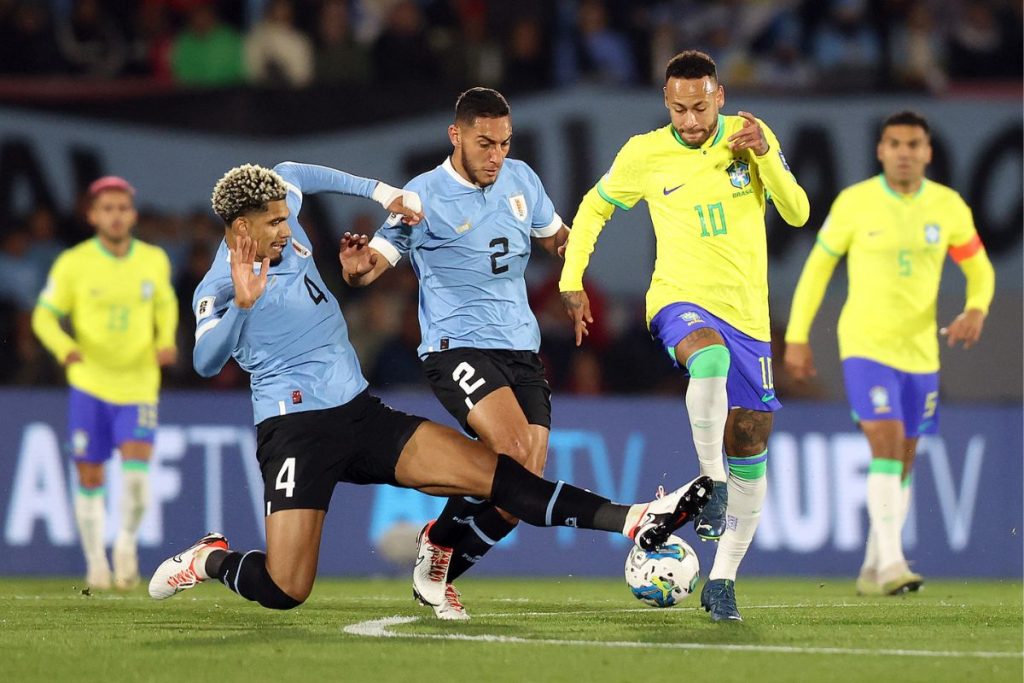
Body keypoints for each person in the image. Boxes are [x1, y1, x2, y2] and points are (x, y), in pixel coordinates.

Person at [148, 162, 711, 611]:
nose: (287, 228)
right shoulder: (218, 288)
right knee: (285, 588)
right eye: (274, 223)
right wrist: (244, 306)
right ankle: (209, 559)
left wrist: (382, 192)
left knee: (501, 478)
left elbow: (296, 171)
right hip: (295, 432)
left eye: (285, 217)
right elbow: (204, 361)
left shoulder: (282, 209)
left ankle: (633, 518)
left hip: (360, 415)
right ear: (241, 229)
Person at [559, 50, 809, 622]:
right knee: (708, 359)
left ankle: (722, 580)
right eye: (679, 109)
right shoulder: (644, 153)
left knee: (751, 441)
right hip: (679, 299)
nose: (690, 121)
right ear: (666, 102)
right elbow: (594, 209)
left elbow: (797, 212)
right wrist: (572, 280)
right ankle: (711, 482)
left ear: (719, 97)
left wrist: (765, 157)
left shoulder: (750, 135)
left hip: (748, 316)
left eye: (700, 107)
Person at [339, 87, 570, 621]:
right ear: (456, 135)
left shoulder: (522, 179)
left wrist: (576, 273)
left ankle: (438, 560)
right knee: (512, 451)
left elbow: (558, 238)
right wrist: (356, 268)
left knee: (519, 494)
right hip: (457, 345)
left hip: (520, 346)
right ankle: (439, 547)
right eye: (485, 143)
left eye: (504, 144)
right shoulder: (422, 195)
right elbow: (374, 263)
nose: (496, 156)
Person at [783, 111, 995, 597]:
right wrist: (797, 336)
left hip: (920, 353)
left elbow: (979, 268)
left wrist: (976, 309)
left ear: (928, 152)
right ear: (881, 150)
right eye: (895, 143)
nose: (904, 152)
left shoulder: (948, 207)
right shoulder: (855, 203)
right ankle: (895, 562)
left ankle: (873, 566)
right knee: (886, 440)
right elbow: (817, 270)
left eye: (913, 144)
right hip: (865, 345)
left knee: (903, 458)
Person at [32, 176, 179, 590]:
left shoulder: (153, 259)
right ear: (93, 216)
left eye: (122, 208)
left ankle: (126, 543)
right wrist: (64, 347)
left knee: (136, 479)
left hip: (138, 383)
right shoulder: (73, 263)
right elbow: (43, 315)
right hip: (90, 383)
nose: (115, 216)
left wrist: (166, 341)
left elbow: (166, 304)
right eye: (107, 209)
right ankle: (96, 560)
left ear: (133, 215)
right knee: (90, 476)